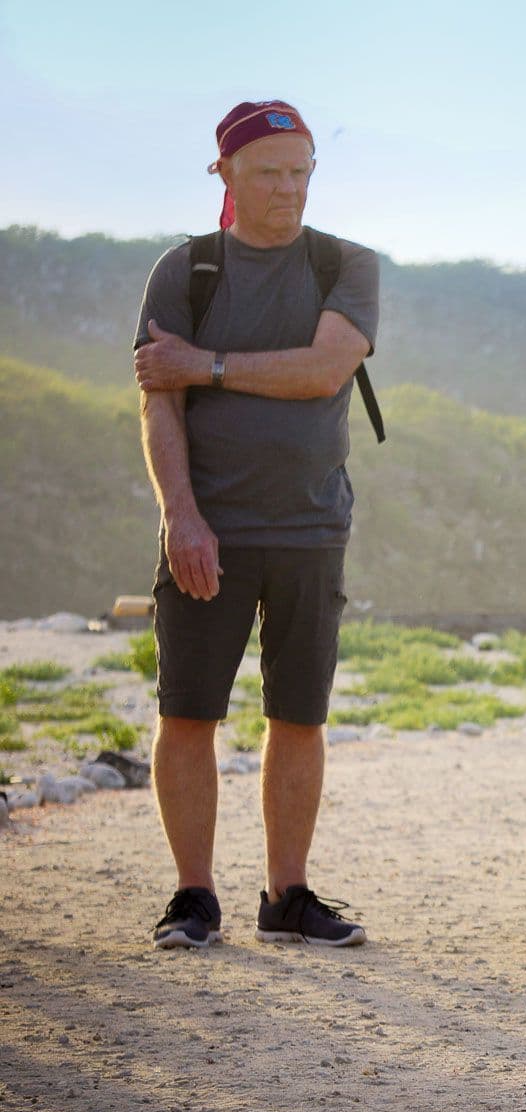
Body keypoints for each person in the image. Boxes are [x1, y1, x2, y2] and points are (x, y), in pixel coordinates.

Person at [135, 100, 379, 949]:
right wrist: (182, 518)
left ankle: (288, 896)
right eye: (269, 171)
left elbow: (323, 371)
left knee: (299, 715)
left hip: (312, 529)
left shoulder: (346, 263)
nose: (288, 188)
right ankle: (194, 897)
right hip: (210, 530)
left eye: (301, 171)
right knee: (190, 712)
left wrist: (206, 364)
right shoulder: (187, 270)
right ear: (227, 175)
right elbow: (157, 404)